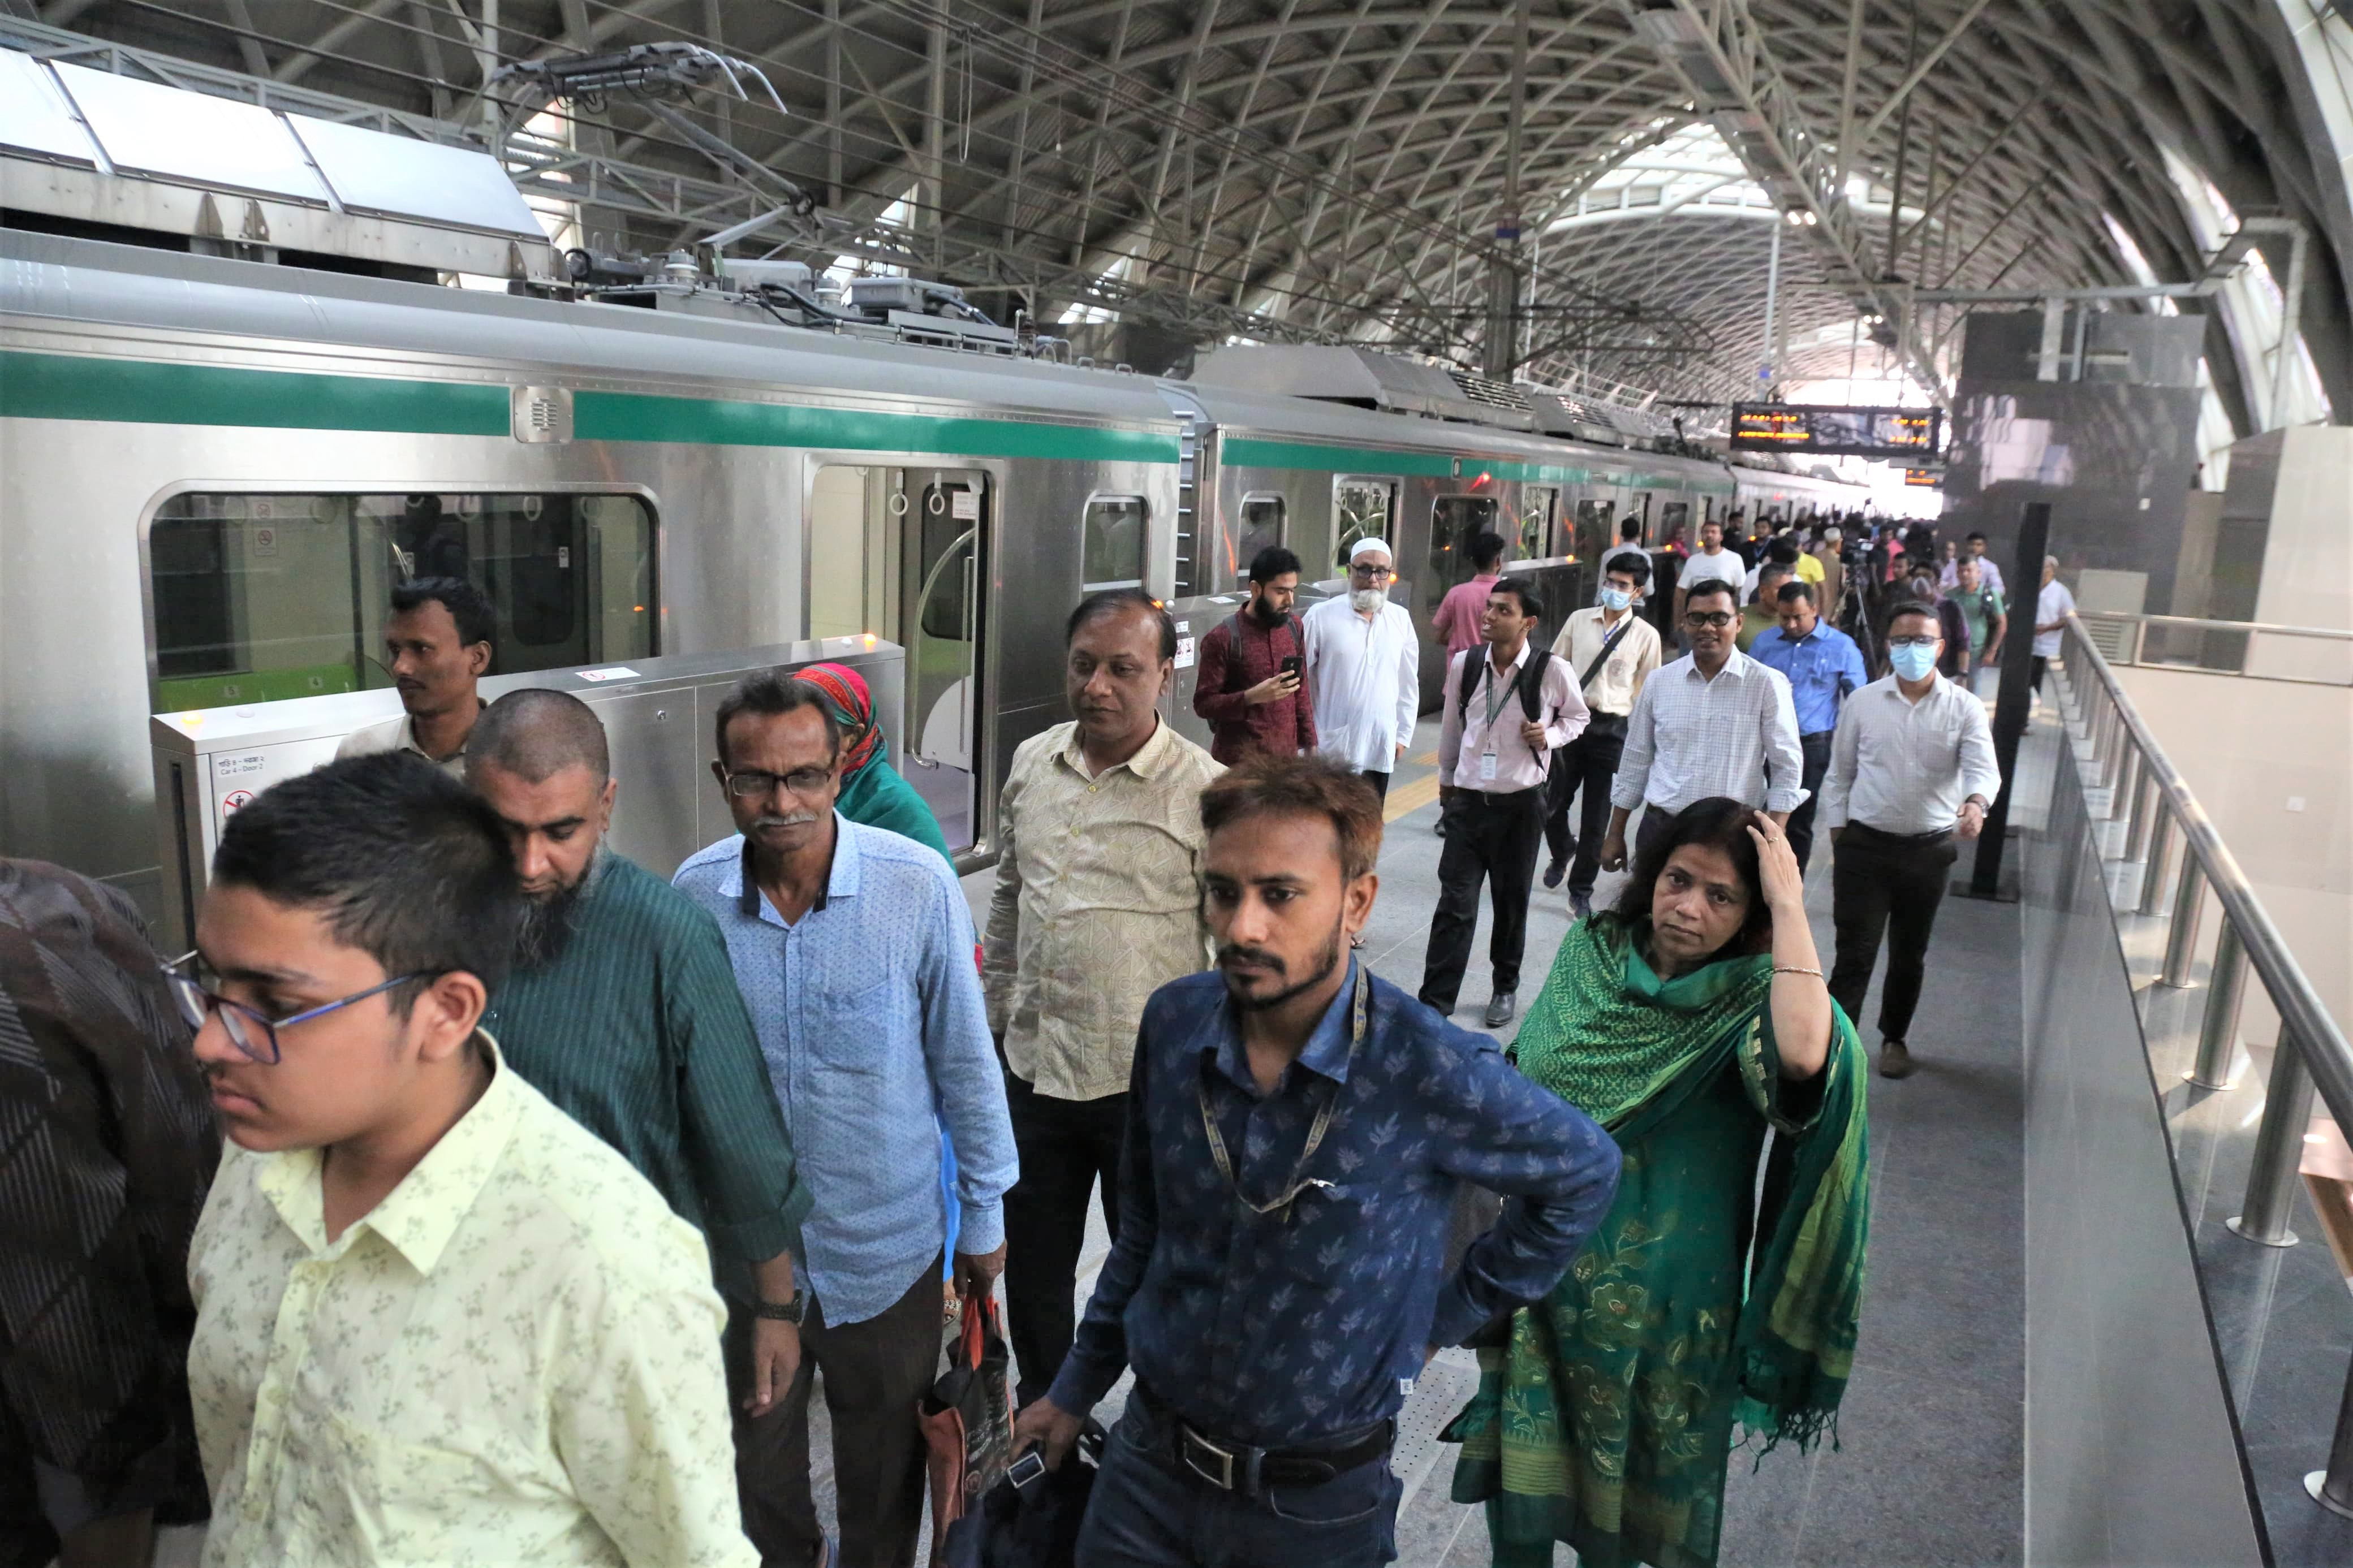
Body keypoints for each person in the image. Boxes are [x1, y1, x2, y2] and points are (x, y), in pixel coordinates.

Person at [1010, 755, 1623, 1567]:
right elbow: (1144, 1233)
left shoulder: (1426, 1067)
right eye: (1224, 892)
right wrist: (1073, 1390)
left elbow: (1584, 1170)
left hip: (1314, 1509)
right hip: (1148, 1477)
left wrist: (1441, 1319)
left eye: (1280, 894)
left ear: (1357, 903)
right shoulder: (1175, 1023)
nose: (1242, 927)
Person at [180, 755, 758, 1567]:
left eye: (275, 1005)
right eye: (212, 985)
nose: (211, 1040)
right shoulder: (259, 1156)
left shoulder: (599, 1264)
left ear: (445, 1012)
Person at [1450, 798, 1869, 1568]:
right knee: (1522, 1496)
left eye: (1722, 896)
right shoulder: (1597, 950)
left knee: (1630, 1519)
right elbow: (1532, 1074)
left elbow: (1809, 1061)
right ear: (1652, 876)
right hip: (1545, 1280)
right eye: (1679, 880)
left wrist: (1791, 905)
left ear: (1751, 916)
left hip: (1666, 1312)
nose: (1689, 907)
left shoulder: (1755, 1001)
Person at [674, 672, 1018, 1568]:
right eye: (757, 779)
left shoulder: (915, 886)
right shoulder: (693, 898)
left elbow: (965, 1063)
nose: (781, 801)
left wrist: (982, 1219)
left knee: (884, 1480)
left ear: (840, 771)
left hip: (887, 1257)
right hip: (750, 1270)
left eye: (804, 777)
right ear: (724, 780)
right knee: (758, 1474)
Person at [464, 689, 816, 1435]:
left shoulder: (668, 939)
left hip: (630, 1328)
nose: (531, 864)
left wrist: (776, 1307)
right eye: (505, 831)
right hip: (479, 1313)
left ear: (606, 805)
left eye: (561, 831)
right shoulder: (435, 919)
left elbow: (742, 1140)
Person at [984, 589, 1223, 1408]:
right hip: (1035, 1068)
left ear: (1165, 674)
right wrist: (994, 1016)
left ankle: (1159, 1420)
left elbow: (1231, 945)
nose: (1098, 687)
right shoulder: (1032, 762)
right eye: (1084, 666)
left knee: (1155, 1267)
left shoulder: (1205, 790)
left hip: (1145, 1088)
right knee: (1037, 1271)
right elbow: (1011, 896)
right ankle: (1047, 1419)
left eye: (1124, 669)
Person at [0, 861, 217, 1568]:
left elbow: (66, 1302)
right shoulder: (76, 892)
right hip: (188, 1343)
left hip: (100, 1459)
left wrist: (109, 1518)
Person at [1821, 601, 2003, 1079]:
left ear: (1941, 647)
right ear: (1887, 645)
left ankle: (1894, 1038)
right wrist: (1841, 836)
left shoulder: (1963, 706)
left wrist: (1976, 804)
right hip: (1864, 847)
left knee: (1909, 952)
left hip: (1928, 851)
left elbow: (1985, 768)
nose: (1912, 649)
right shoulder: (1863, 702)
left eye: (1922, 640)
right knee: (1854, 953)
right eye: (1902, 640)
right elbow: (1839, 775)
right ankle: (1836, 1045)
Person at [1421, 581, 1589, 1028]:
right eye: (1490, 607)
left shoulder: (1551, 669)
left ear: (1528, 622)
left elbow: (1579, 717)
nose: (1490, 615)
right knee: (1455, 901)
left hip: (1521, 805)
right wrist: (1446, 779)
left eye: (1503, 610)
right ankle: (1435, 999)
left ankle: (1505, 987)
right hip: (1469, 801)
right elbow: (1454, 725)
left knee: (1511, 901)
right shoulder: (1467, 663)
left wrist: (1549, 736)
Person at [1601, 579, 1804, 873]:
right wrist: (1615, 832)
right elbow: (1635, 760)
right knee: (1651, 914)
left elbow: (1787, 766)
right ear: (1685, 623)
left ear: (1739, 623)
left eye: (1719, 618)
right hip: (1662, 827)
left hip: (1732, 833)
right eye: (1697, 618)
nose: (1708, 627)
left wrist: (1773, 838)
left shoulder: (1766, 684)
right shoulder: (1660, 682)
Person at [1542, 554, 1664, 920]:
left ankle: (1581, 891)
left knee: (1597, 817)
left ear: (1637, 592)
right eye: (1609, 582)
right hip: (1571, 722)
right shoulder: (1579, 621)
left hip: (1613, 730)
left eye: (1622, 585)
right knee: (1550, 803)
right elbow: (1554, 667)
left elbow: (1647, 693)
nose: (1611, 590)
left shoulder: (1646, 636)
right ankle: (1563, 847)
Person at [1747, 581, 1869, 874]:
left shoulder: (1840, 647)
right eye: (1784, 617)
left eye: (1798, 617)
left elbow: (1859, 698)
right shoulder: (1765, 643)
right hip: (1763, 743)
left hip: (1810, 744)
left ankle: (1791, 882)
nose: (1791, 624)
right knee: (1755, 812)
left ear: (1814, 610)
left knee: (1799, 818)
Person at [335, 577, 495, 777]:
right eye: (395, 650)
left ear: (477, 658)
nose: (400, 667)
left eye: (422, 649)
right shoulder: (361, 755)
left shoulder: (522, 754)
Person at [794, 662, 952, 862]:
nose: (796, 742)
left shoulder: (896, 808)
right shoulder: (778, 787)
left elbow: (936, 886)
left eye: (814, 731)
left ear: (854, 735)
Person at [1302, 537, 1420, 800]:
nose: (1373, 579)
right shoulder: (1320, 616)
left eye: (1381, 571)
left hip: (1380, 744)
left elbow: (1408, 683)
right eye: (1364, 569)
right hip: (1330, 749)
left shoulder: (1400, 619)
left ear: (1390, 575)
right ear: (1349, 570)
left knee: (1368, 829)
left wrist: (1403, 736)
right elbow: (1299, 683)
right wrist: (1305, 740)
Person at [1192, 545, 1316, 765]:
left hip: (1284, 764)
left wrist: (1311, 746)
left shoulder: (1294, 628)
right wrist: (1250, 697)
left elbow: (1301, 691)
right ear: (1256, 589)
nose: (1290, 600)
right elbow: (1204, 704)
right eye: (1280, 592)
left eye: (1292, 590)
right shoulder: (1223, 638)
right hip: (1238, 767)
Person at [1430, 529, 1507, 658]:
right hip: (1492, 671)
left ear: (1473, 561)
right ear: (1498, 562)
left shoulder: (1456, 593)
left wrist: (1459, 643)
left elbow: (1438, 636)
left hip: (1459, 669)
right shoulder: (1507, 596)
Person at [1673, 517, 1745, 634]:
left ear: (1721, 537)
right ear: (1701, 536)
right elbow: (1681, 590)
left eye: (1714, 532)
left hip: (1723, 618)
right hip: (1698, 617)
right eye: (1706, 532)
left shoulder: (1734, 559)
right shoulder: (1693, 560)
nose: (1709, 535)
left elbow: (1741, 590)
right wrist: (1678, 620)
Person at [1951, 557, 2008, 693]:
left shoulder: (1989, 594)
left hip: (1977, 651)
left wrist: (1992, 651)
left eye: (1969, 571)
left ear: (1978, 573)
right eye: (1961, 571)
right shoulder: (1950, 596)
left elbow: (2002, 622)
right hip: (1954, 652)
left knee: (1972, 691)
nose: (1965, 574)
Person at [2032, 555, 2076, 693]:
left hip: (2048, 648)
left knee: (2043, 686)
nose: (2043, 570)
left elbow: (2069, 617)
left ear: (2053, 570)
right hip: (2027, 646)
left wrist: (2048, 628)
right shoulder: (2030, 587)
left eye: (2046, 567)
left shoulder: (2061, 592)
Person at [1736, 561, 1792, 652]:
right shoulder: (1737, 619)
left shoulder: (1795, 624)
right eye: (1781, 589)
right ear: (1762, 591)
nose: (1787, 594)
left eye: (1790, 589)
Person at [1940, 531, 2006, 596]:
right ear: (1966, 545)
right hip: (1956, 600)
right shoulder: (1954, 564)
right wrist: (1953, 588)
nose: (1974, 548)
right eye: (1972, 544)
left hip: (1979, 602)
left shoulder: (1990, 567)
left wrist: (1981, 592)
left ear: (1984, 548)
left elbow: (2000, 590)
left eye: (1979, 545)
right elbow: (1941, 582)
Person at [1595, 518, 1647, 598]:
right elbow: (1649, 590)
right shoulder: (1645, 557)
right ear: (1639, 534)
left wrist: (1598, 600)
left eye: (1623, 585)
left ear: (1622, 533)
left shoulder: (1608, 554)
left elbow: (1601, 583)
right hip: (1637, 606)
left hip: (1608, 601)